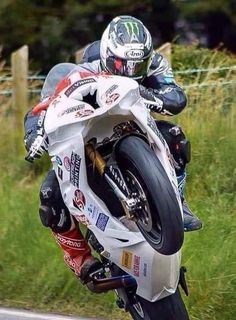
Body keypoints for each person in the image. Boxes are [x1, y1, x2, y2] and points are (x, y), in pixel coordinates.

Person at [24, 15, 202, 284]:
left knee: (175, 137)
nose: (130, 70)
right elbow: (46, 103)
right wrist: (34, 132)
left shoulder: (154, 61)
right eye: (122, 65)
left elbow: (176, 96)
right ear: (108, 53)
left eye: (138, 65)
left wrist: (145, 93)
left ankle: (177, 201)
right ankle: (79, 259)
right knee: (50, 195)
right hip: (88, 136)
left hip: (134, 126)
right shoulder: (87, 64)